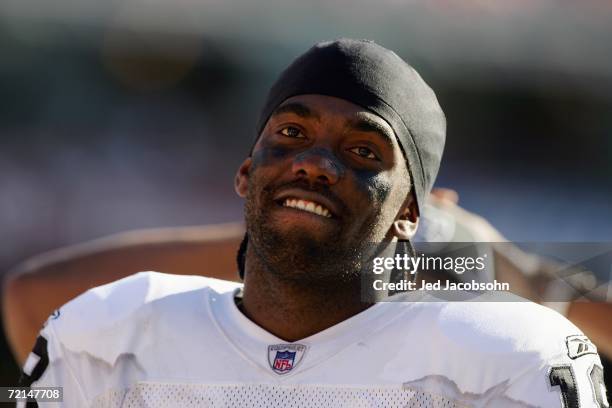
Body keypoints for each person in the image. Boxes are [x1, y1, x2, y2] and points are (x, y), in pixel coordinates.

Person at [17, 39, 607, 406]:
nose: (314, 162)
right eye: (292, 134)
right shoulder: (111, 333)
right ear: (246, 172)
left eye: (364, 152)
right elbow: (30, 294)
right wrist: (303, 233)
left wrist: (497, 270)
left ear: (409, 213)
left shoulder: (509, 357)